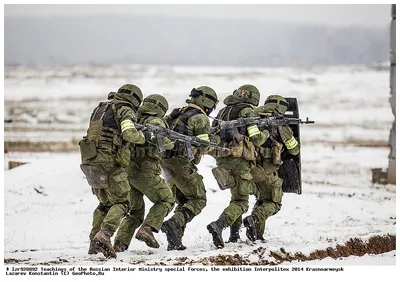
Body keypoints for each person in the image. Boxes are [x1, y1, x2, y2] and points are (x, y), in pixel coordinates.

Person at [79, 84, 145, 259]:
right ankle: (105, 235)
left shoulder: (100, 108)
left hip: (89, 160)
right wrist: (144, 137)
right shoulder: (124, 110)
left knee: (105, 203)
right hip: (108, 161)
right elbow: (130, 133)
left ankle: (94, 242)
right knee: (123, 202)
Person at [206, 84, 268, 249]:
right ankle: (219, 225)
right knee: (241, 201)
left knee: (236, 197)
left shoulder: (222, 111)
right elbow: (256, 138)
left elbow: (212, 135)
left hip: (222, 159)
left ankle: (234, 235)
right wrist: (266, 133)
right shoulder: (247, 111)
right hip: (239, 159)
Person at [112, 94, 176, 252]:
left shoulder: (134, 119)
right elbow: (164, 144)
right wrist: (173, 142)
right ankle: (147, 229)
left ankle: (120, 244)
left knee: (135, 212)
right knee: (166, 200)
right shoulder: (156, 122)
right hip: (145, 171)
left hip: (128, 172)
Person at [160, 86, 219, 251]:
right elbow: (204, 146)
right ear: (207, 101)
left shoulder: (177, 113)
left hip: (166, 163)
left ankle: (175, 240)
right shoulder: (200, 118)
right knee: (198, 200)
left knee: (184, 201)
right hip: (182, 163)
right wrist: (216, 138)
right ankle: (173, 223)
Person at [242, 95, 300, 242]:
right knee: (274, 203)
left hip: (251, 168)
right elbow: (294, 150)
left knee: (262, 200)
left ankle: (257, 234)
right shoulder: (280, 124)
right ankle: (253, 219)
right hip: (269, 170)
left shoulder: (252, 117)